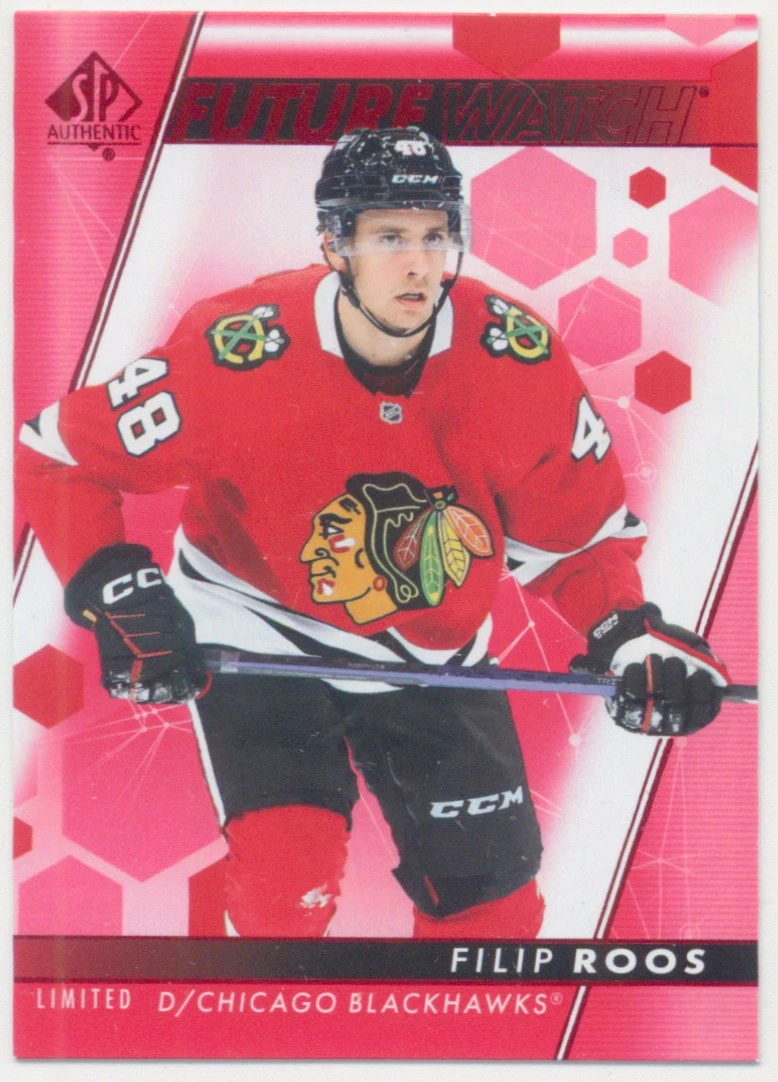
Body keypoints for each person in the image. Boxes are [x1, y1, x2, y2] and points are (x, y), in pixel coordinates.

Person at [16, 127, 729, 939]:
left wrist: (627, 634)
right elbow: (57, 454)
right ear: (334, 244)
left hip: (434, 654)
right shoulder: (236, 349)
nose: (419, 264)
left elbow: (577, 538)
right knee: (286, 886)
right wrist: (115, 586)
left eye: (436, 234)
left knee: (494, 919)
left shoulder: (517, 359)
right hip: (259, 627)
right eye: (390, 237)